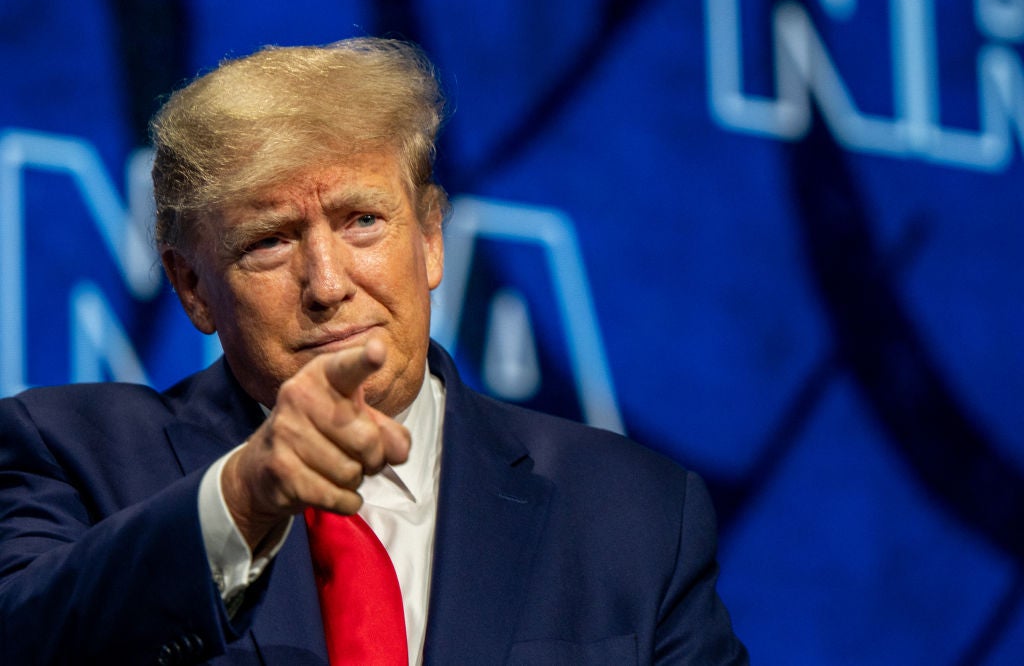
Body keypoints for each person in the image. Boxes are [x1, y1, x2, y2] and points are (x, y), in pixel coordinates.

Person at [0, 37, 748, 664]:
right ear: (193, 286)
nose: (327, 285)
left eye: (362, 221)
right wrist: (245, 497)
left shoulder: (634, 514)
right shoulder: (72, 455)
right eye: (268, 242)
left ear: (429, 240)